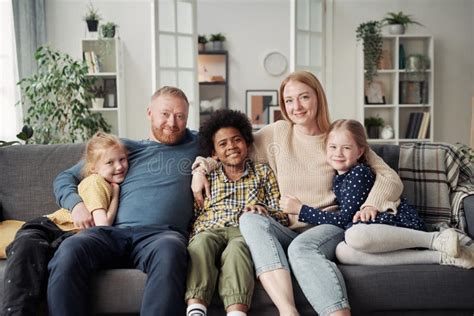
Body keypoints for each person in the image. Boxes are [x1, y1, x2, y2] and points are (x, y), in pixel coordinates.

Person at [192, 70, 403, 316]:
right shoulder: (279, 133)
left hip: (327, 225)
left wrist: (371, 205)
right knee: (250, 219)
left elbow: (389, 176)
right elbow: (232, 149)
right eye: (289, 100)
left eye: (304, 97)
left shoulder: (337, 138)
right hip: (286, 227)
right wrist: (201, 168)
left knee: (301, 249)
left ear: (318, 98)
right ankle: (288, 311)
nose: (296, 107)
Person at [47, 86, 198, 316]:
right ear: (149, 112)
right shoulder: (124, 149)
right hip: (112, 233)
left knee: (171, 252)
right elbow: (64, 177)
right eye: (165, 114)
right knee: (70, 249)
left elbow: (238, 138)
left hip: (161, 235)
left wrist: (205, 166)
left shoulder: (198, 143)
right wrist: (76, 205)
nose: (172, 123)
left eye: (180, 116)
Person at [282, 119, 474, 269]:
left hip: (395, 224)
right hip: (375, 234)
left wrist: (301, 210)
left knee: (353, 235)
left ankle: (433, 239)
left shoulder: (358, 173)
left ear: (359, 152)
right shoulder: (340, 176)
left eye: (346, 148)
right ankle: (441, 256)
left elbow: (343, 219)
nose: (337, 153)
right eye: (332, 147)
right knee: (342, 252)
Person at [2, 132, 128, 316]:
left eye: (122, 159)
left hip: (67, 234)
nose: (119, 166)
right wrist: (116, 195)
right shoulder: (96, 183)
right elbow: (103, 226)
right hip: (52, 227)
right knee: (26, 249)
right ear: (93, 169)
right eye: (110, 162)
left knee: (45, 256)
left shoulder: (103, 181)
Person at [186, 109, 288, 316]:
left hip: (244, 231)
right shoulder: (208, 175)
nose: (231, 146)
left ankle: (236, 311)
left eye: (237, 140)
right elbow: (196, 212)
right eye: (222, 144)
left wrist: (264, 211)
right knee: (200, 244)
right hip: (210, 229)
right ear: (213, 153)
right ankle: (196, 307)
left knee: (238, 250)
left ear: (247, 143)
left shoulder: (263, 172)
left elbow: (282, 215)